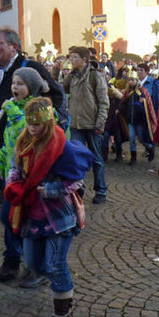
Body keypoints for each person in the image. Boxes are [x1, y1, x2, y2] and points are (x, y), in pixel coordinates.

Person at [4, 97, 93, 317]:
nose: (33, 128)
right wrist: (12, 184)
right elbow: (15, 167)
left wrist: (52, 190)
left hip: (58, 217)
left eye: (38, 124)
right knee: (34, 264)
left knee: (55, 265)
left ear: (47, 122)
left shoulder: (61, 147)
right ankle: (58, 286)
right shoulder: (24, 141)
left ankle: (62, 314)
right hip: (31, 214)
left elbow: (76, 180)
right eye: (30, 123)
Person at [0, 27, 63, 169]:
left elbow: (54, 98)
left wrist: (33, 124)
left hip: (30, 153)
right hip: (2, 153)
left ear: (14, 47)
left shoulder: (32, 68)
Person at [0, 66, 49, 284]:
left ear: (31, 88)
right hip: (12, 177)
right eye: (14, 83)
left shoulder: (40, 108)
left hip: (32, 178)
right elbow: (10, 143)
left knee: (28, 223)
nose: (15, 87)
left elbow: (26, 131)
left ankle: (36, 268)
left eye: (20, 84)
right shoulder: (14, 107)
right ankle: (12, 260)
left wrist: (12, 112)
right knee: (8, 219)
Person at [63, 46, 109, 204]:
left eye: (75, 57)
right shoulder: (73, 76)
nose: (71, 60)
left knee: (96, 159)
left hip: (93, 124)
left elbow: (104, 102)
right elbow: (63, 87)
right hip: (76, 124)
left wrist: (100, 123)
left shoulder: (95, 76)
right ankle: (77, 189)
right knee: (75, 159)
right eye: (70, 57)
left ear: (84, 59)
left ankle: (101, 190)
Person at [119, 68, 157, 166]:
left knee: (141, 138)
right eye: (129, 80)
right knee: (131, 138)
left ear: (136, 81)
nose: (131, 82)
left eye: (133, 80)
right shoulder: (127, 92)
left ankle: (149, 147)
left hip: (139, 120)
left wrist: (142, 101)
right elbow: (123, 102)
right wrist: (120, 108)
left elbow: (147, 104)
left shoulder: (142, 91)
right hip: (130, 120)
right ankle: (133, 158)